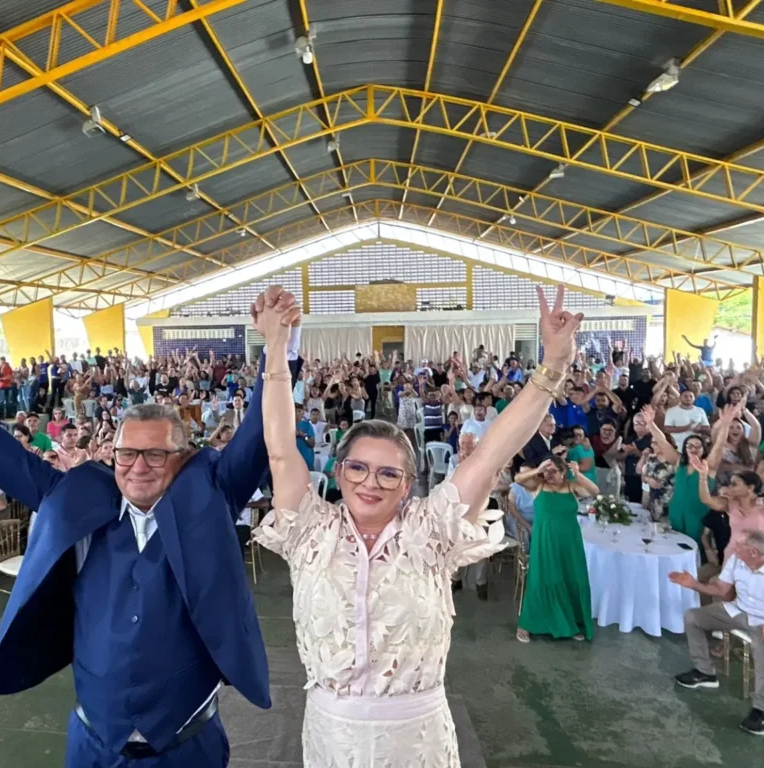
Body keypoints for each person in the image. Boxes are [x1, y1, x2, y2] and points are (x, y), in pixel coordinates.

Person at [0, 285, 302, 767]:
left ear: (184, 458)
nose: (139, 466)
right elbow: (3, 456)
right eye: (127, 453)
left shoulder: (212, 492)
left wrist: (280, 346)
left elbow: (262, 430)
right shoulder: (76, 498)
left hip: (186, 744)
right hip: (94, 743)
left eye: (156, 453)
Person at [253, 285, 583, 767]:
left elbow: (494, 450)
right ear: (339, 472)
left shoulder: (432, 529)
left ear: (408, 484)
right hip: (330, 738)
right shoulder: (309, 530)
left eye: (390, 472)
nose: (372, 482)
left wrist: (554, 365)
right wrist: (276, 349)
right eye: (358, 468)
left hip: (418, 740)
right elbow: (280, 448)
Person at [669, 530, 764, 735]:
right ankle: (705, 672)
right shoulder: (737, 560)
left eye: (738, 545)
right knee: (693, 617)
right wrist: (694, 585)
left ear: (753, 552)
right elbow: (721, 590)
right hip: (737, 610)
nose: (733, 548)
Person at [515, 456, 599, 643]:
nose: (549, 474)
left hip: (569, 541)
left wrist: (577, 473)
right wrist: (538, 468)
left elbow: (594, 490)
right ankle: (527, 624)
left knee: (570, 578)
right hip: (545, 540)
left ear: (563, 471)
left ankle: (571, 623)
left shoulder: (571, 486)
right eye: (547, 470)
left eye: (553, 470)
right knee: (541, 578)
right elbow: (518, 479)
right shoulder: (538, 485)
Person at [642, 404, 727, 548]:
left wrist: (726, 424)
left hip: (697, 514)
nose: (693, 449)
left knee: (695, 549)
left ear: (703, 449)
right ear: (684, 448)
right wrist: (651, 424)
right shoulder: (678, 464)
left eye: (697, 446)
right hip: (675, 512)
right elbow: (663, 442)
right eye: (689, 446)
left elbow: (719, 445)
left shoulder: (709, 467)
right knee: (672, 547)